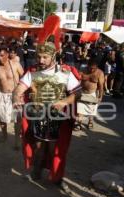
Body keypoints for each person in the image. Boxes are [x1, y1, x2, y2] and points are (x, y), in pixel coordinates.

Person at [13, 42, 80, 184]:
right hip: (38, 116)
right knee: (38, 146)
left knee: (55, 150)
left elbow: (77, 93)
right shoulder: (32, 72)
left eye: (45, 57)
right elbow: (19, 88)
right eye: (39, 57)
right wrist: (16, 96)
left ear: (53, 56)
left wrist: (64, 102)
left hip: (58, 118)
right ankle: (36, 173)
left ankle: (57, 177)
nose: (41, 60)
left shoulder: (65, 72)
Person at [0, 46, 24, 147]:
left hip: (15, 94)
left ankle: (17, 139)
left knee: (18, 118)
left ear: (7, 55)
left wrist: (22, 92)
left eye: (2, 56)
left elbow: (24, 77)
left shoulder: (16, 65)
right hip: (2, 95)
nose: (0, 58)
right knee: (2, 119)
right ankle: (4, 136)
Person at [74, 59, 104, 130]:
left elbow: (101, 86)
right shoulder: (83, 70)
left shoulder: (100, 73)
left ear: (97, 67)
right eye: (91, 68)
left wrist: (100, 97)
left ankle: (90, 122)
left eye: (94, 68)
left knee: (91, 110)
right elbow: (77, 80)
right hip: (82, 92)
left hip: (93, 93)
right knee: (80, 109)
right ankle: (79, 123)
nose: (92, 70)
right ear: (88, 66)